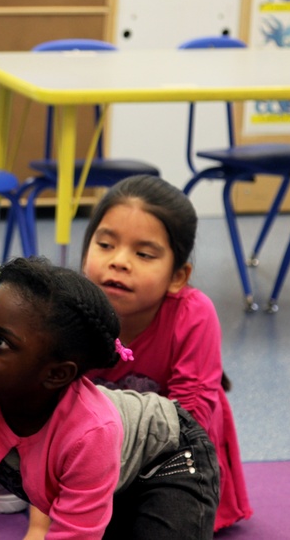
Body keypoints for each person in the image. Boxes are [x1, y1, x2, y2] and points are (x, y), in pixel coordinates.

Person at [0, 256, 219, 540]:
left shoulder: (89, 433)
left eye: (0, 342)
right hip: (109, 476)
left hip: (170, 454)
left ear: (56, 375)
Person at [80, 174, 252, 531]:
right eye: (106, 244)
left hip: (174, 456)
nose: (120, 262)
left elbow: (193, 419)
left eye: (143, 254)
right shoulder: (70, 308)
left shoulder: (192, 313)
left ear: (178, 276)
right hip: (88, 456)